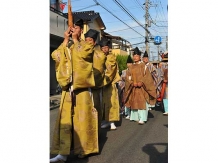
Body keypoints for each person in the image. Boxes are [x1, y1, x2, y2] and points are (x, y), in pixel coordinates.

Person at [50, 19, 99, 162]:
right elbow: (55, 55)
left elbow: (84, 55)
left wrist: (76, 40)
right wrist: (66, 40)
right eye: (71, 28)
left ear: (81, 31)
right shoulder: (68, 44)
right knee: (66, 121)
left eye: (76, 28)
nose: (73, 30)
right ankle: (63, 153)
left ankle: (84, 149)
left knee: (82, 122)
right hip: (67, 89)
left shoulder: (87, 44)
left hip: (82, 89)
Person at [125, 47, 156, 124]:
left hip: (142, 88)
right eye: (134, 56)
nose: (135, 57)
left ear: (140, 57)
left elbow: (147, 77)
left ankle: (142, 118)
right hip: (133, 88)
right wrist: (132, 83)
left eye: (136, 56)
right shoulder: (130, 67)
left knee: (142, 102)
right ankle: (135, 117)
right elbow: (127, 77)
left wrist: (141, 82)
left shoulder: (144, 66)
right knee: (134, 102)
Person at [84, 29, 107, 134]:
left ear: (94, 42)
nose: (88, 42)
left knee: (95, 111)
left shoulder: (99, 55)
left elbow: (98, 72)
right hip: (82, 89)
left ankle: (95, 135)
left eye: (90, 40)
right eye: (86, 40)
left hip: (94, 88)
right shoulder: (80, 52)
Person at [100, 38, 121, 130]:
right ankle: (105, 121)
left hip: (109, 83)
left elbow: (110, 71)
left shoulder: (111, 57)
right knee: (102, 103)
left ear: (108, 48)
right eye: (103, 48)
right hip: (100, 84)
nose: (104, 49)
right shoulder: (99, 56)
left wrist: (103, 81)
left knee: (111, 103)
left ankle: (112, 122)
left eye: (106, 47)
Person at [121, 55, 133, 119]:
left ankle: (133, 114)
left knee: (132, 101)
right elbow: (121, 79)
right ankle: (128, 113)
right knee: (126, 101)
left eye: (130, 63)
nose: (129, 65)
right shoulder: (124, 71)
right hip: (125, 88)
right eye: (128, 63)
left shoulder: (134, 71)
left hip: (132, 88)